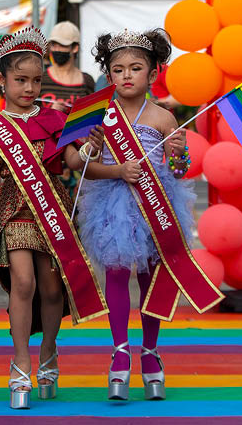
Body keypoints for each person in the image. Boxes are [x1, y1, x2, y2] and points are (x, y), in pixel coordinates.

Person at [0, 27, 107, 410]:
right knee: (22, 283)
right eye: (20, 80)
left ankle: (48, 350)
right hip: (12, 211)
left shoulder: (54, 120)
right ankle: (20, 361)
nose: (29, 88)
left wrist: (89, 148)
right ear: (2, 79)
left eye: (36, 80)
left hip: (53, 210)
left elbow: (72, 162)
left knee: (50, 288)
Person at [74, 28, 194, 402]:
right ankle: (120, 349)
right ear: (108, 74)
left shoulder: (164, 117)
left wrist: (179, 151)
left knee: (151, 280)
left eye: (136, 68)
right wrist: (105, 162)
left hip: (155, 207)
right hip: (112, 203)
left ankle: (152, 351)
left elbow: (178, 170)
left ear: (153, 73)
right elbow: (85, 170)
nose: (126, 75)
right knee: (116, 272)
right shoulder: (100, 116)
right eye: (118, 68)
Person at [40, 21, 95, 109]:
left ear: (75, 48)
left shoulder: (87, 81)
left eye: (62, 45)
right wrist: (51, 113)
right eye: (53, 45)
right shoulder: (40, 79)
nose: (56, 49)